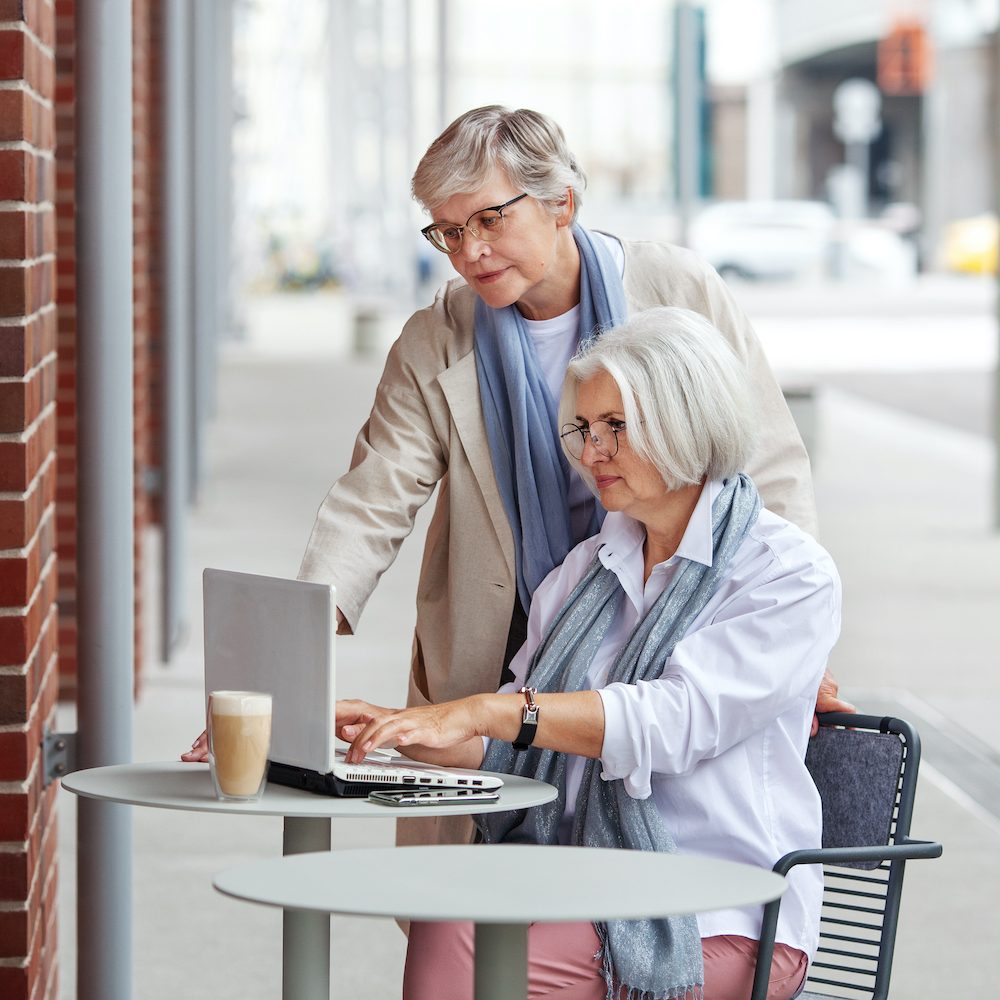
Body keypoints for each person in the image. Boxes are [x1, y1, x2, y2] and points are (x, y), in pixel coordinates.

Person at [183, 106, 851, 826]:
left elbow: (769, 468)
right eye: (448, 231)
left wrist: (787, 647)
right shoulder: (436, 339)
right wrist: (287, 671)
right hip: (495, 644)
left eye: (488, 220)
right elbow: (369, 503)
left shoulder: (678, 290)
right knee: (461, 902)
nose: (469, 250)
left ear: (561, 202)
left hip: (670, 626)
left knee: (646, 850)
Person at [336, 307, 841, 1000]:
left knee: (475, 958)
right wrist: (399, 733)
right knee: (448, 917)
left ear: (685, 421)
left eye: (616, 428)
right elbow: (516, 751)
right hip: (580, 880)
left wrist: (490, 712)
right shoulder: (586, 572)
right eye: (584, 428)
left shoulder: (786, 574)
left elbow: (671, 721)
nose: (590, 452)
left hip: (723, 909)